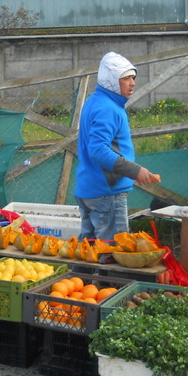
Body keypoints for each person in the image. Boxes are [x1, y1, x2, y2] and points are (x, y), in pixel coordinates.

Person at [73, 52, 158, 242]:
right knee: (114, 251)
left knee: (88, 248)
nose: (133, 83)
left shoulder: (95, 101)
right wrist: (134, 170)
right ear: (112, 80)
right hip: (106, 193)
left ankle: (77, 273)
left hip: (89, 188)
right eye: (126, 78)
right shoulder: (108, 108)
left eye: (133, 77)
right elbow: (98, 149)